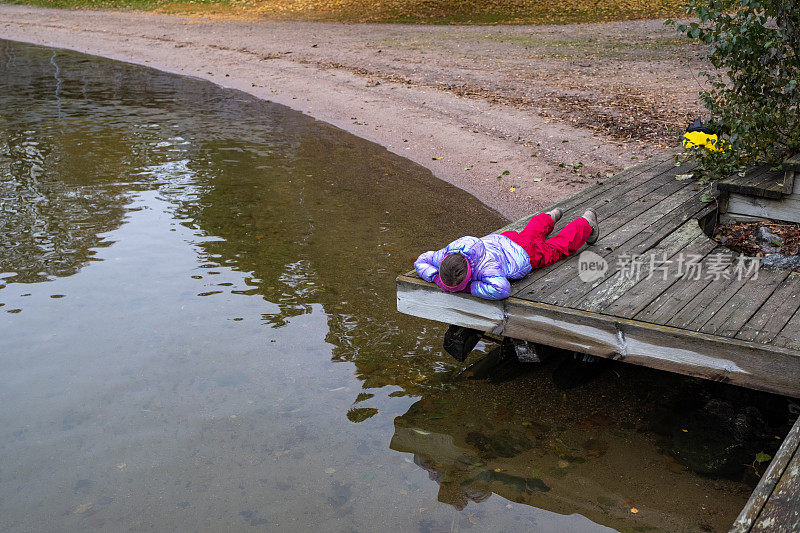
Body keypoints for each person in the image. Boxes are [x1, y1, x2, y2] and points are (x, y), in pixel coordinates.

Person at [414, 208, 599, 300]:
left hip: (525, 255)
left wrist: (470, 288)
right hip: (503, 241)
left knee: (556, 249)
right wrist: (435, 276)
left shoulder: (487, 269)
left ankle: (585, 223)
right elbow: (421, 261)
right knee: (530, 233)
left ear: (469, 276)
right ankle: (549, 216)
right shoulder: (448, 253)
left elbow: (501, 289)